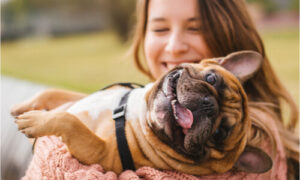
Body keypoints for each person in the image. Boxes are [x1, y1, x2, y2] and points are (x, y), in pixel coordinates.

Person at [12, 0, 298, 179]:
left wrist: (49, 142)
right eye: (160, 29)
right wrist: (52, 101)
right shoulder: (145, 102)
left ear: (229, 34)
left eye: (195, 28)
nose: (174, 46)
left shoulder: (254, 142)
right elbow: (97, 106)